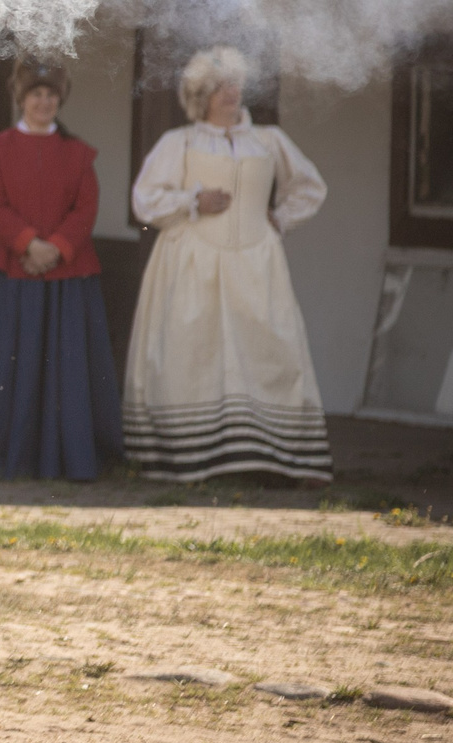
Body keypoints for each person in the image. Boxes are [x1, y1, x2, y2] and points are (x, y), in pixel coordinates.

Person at [124, 46, 332, 482]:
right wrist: (192, 201)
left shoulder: (268, 140)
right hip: (192, 261)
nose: (230, 93)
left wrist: (280, 218)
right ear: (200, 96)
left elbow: (310, 186)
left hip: (257, 263)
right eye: (219, 87)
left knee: (267, 348)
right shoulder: (178, 143)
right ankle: (192, 456)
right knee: (193, 351)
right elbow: (145, 200)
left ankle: (267, 457)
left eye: (235, 84)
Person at [0, 61, 124, 480]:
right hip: (11, 270)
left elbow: (86, 209)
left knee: (62, 368)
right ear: (21, 99)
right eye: (35, 95)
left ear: (59, 99)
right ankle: (4, 455)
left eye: (50, 95)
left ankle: (65, 458)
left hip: (65, 276)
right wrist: (29, 244)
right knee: (10, 367)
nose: (43, 102)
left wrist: (56, 249)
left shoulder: (79, 154)